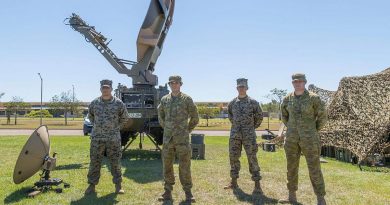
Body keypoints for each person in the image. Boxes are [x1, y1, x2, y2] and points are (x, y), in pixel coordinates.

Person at [279, 73, 327, 205]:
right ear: (292, 83)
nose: (298, 83)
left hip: (310, 139)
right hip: (291, 139)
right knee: (291, 167)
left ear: (305, 82)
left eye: (300, 81)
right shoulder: (287, 99)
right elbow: (284, 117)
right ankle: (291, 196)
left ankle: (320, 198)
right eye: (295, 82)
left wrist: (312, 130)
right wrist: (292, 129)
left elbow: (322, 116)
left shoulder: (313, 98)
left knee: (314, 168)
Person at [157, 75, 199, 202]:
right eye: (172, 83)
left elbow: (195, 117)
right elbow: (161, 117)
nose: (174, 85)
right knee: (167, 166)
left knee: (184, 166)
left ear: (180, 84)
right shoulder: (164, 100)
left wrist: (187, 130)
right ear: (169, 85)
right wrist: (167, 128)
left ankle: (188, 192)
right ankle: (167, 191)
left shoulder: (187, 99)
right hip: (168, 140)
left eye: (176, 83)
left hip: (182, 140)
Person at [85, 79, 129, 195]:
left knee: (115, 162)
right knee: (95, 161)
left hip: (113, 138)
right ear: (100, 89)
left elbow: (125, 118)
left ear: (111, 89)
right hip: (97, 138)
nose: (105, 90)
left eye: (107, 88)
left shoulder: (118, 103)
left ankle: (118, 185)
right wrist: (98, 127)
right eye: (103, 88)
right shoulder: (94, 103)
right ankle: (91, 185)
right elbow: (90, 116)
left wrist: (115, 128)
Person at [224, 78, 263, 194]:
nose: (241, 88)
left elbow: (259, 117)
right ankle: (234, 182)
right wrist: (237, 127)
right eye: (239, 87)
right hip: (235, 135)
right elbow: (231, 117)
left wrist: (250, 128)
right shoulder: (232, 103)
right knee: (233, 158)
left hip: (249, 136)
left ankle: (257, 186)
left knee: (252, 159)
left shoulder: (253, 102)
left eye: (243, 87)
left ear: (247, 88)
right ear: (237, 88)